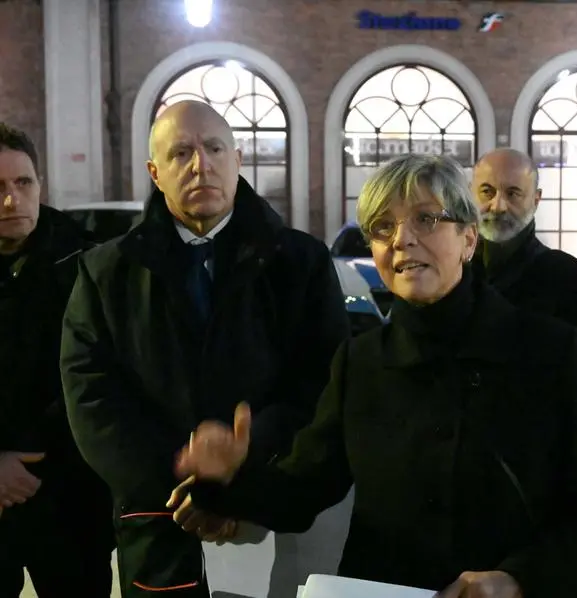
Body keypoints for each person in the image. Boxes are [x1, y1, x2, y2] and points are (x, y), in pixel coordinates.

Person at [175, 154, 577, 597]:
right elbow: (302, 491)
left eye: (426, 219)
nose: (402, 240)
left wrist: (518, 579)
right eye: (382, 228)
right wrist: (229, 477)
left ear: (469, 239)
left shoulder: (550, 352)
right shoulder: (361, 361)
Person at [60, 100, 350, 597]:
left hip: (272, 500)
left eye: (215, 148)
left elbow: (324, 379)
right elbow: (91, 396)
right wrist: (182, 476)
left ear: (237, 159)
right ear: (155, 172)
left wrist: (245, 454)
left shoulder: (300, 262)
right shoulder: (106, 272)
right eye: (180, 153)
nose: (202, 164)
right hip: (157, 514)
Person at [0, 123, 113, 596]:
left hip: (71, 501)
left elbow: (100, 381)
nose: (11, 201)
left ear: (40, 185)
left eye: (22, 183)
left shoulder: (87, 267)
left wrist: (22, 460)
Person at [471, 148, 577, 350]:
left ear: (536, 200)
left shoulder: (566, 275)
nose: (498, 206)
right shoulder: (451, 269)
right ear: (470, 195)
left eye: (513, 194)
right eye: (487, 192)